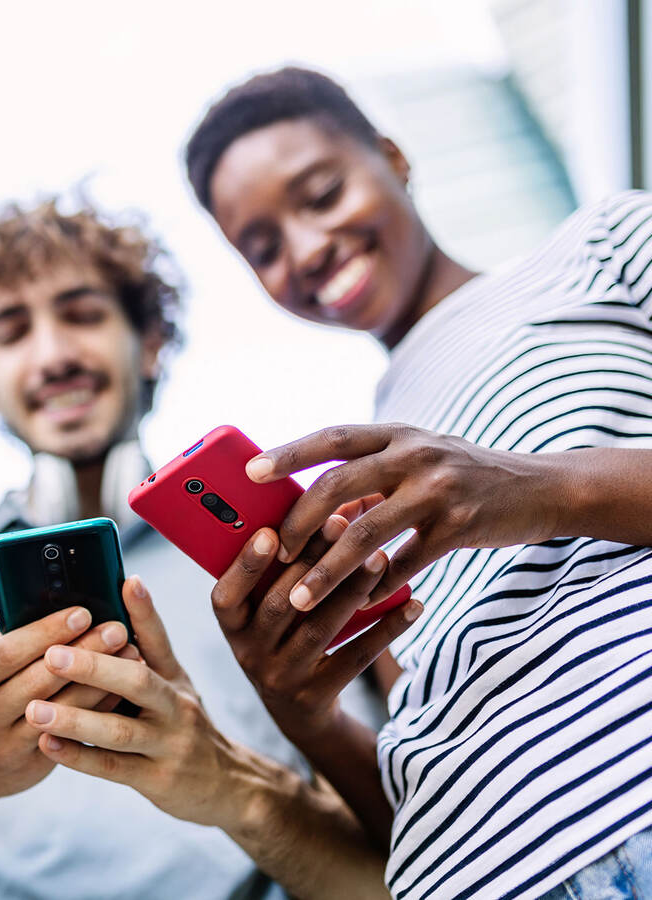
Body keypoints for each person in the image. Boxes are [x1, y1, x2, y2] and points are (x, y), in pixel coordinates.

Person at [185, 65, 652, 899]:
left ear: (393, 157)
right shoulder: (361, 483)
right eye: (262, 248)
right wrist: (307, 716)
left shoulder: (604, 245)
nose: (306, 248)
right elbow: (407, 794)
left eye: (321, 193)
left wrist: (537, 490)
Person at [0, 199, 393, 899]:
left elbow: (386, 880)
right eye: (12, 333)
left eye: (82, 314)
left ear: (151, 341)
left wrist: (228, 784)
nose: (53, 355)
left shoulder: (270, 557)